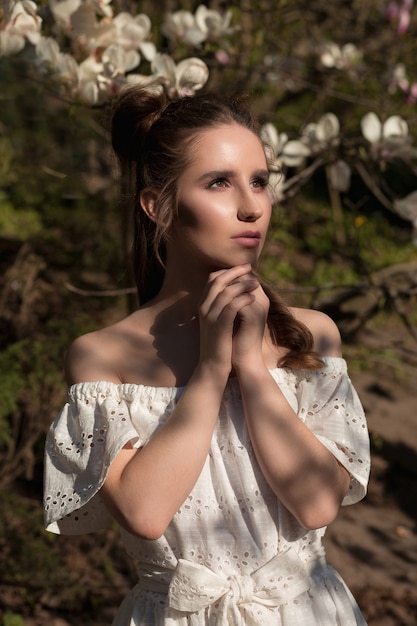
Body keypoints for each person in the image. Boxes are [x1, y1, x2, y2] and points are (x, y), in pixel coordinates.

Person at [44, 87, 371, 626]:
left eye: (260, 181)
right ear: (158, 206)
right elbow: (146, 513)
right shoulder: (103, 356)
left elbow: (317, 506)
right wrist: (213, 369)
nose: (251, 205)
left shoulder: (311, 337)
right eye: (219, 181)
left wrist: (252, 366)